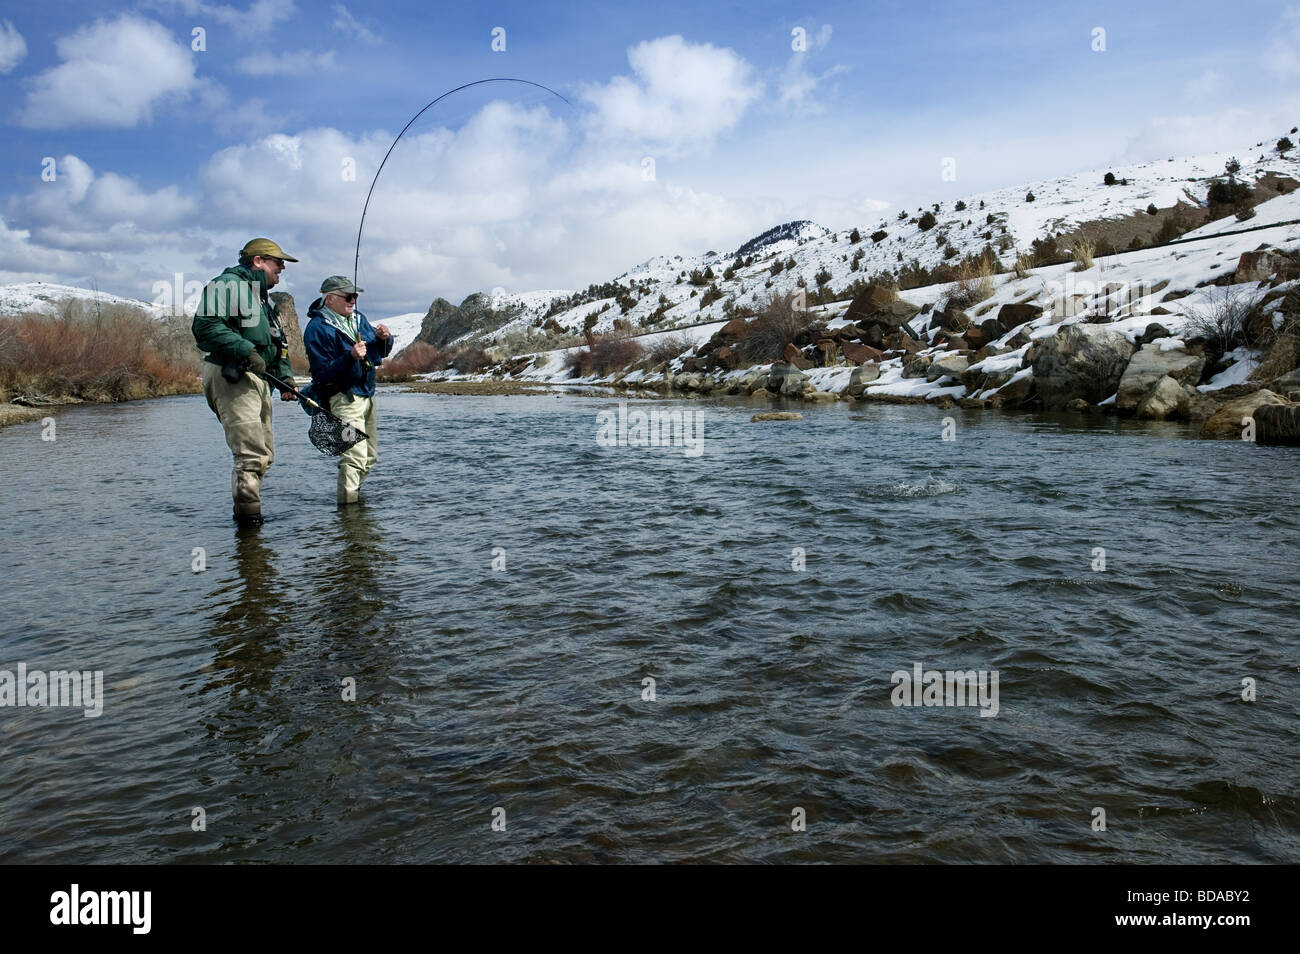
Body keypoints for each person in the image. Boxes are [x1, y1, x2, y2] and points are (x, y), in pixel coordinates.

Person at [191, 238, 300, 527]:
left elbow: (278, 344)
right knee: (251, 456)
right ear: (258, 261)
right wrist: (246, 351)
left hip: (259, 381)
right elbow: (205, 327)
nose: (282, 269)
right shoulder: (227, 285)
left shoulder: (263, 299)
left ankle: (249, 534)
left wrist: (285, 377)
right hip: (233, 378)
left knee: (265, 455)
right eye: (278, 263)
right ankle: (249, 531)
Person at [302, 276, 392, 504]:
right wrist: (350, 357)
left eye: (355, 296)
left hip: (367, 394)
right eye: (348, 296)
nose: (353, 300)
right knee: (354, 457)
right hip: (343, 398)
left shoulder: (359, 319)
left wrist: (384, 339)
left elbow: (378, 353)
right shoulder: (317, 329)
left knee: (369, 457)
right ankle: (349, 516)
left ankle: (351, 504)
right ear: (329, 298)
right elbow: (322, 373)